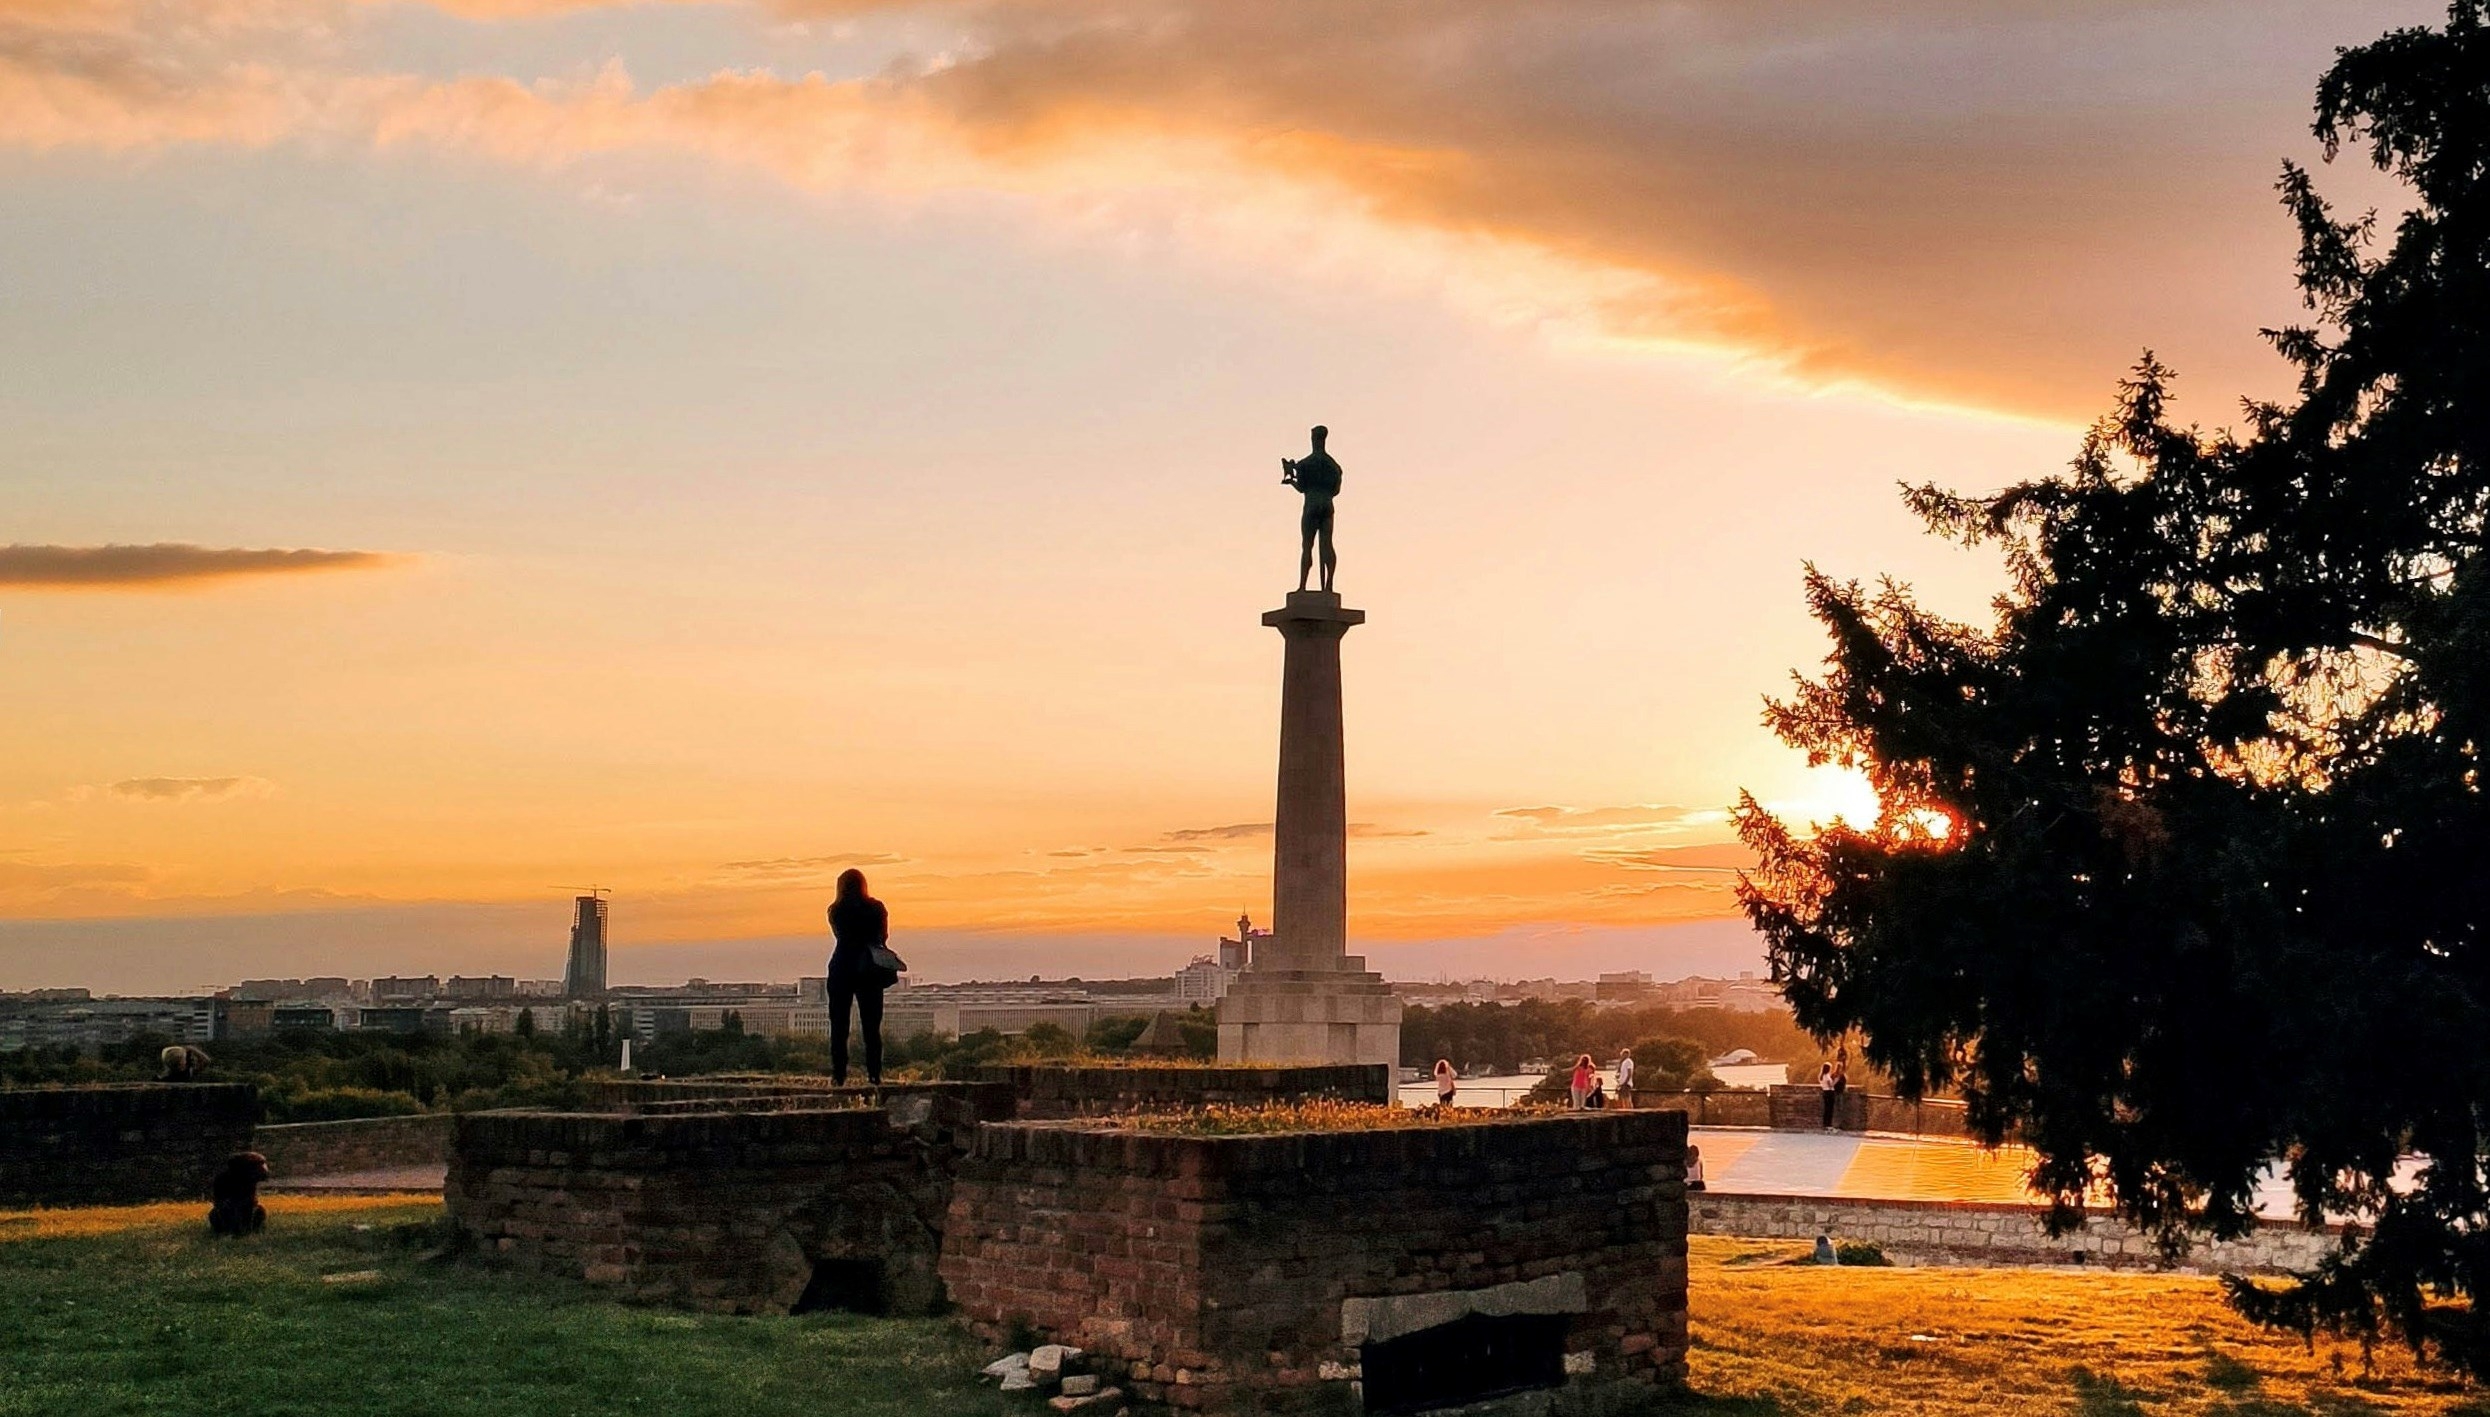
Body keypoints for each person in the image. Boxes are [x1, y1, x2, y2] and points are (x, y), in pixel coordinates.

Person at [826, 868, 893, 1086]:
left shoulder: (836, 910)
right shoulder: (877, 908)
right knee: (872, 1027)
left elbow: (840, 935)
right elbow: (883, 936)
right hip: (869, 969)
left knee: (839, 1026)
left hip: (842, 967)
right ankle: (874, 1075)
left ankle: (839, 1075)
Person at [1280, 425, 1343, 593]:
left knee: (1307, 545)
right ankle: (1329, 584)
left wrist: (1291, 481)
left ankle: (1302, 586)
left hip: (1312, 504)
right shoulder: (1334, 466)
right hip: (1327, 504)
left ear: (1313, 439)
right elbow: (1336, 490)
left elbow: (1301, 487)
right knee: (1327, 544)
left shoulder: (1306, 464)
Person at [1817, 1059, 1838, 1129]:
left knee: (1826, 1109)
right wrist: (1836, 1080)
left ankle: (1825, 1124)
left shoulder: (1821, 1076)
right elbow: (1831, 1085)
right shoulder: (1827, 1076)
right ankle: (1829, 1124)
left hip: (1825, 1092)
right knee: (1830, 1109)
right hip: (1830, 1092)